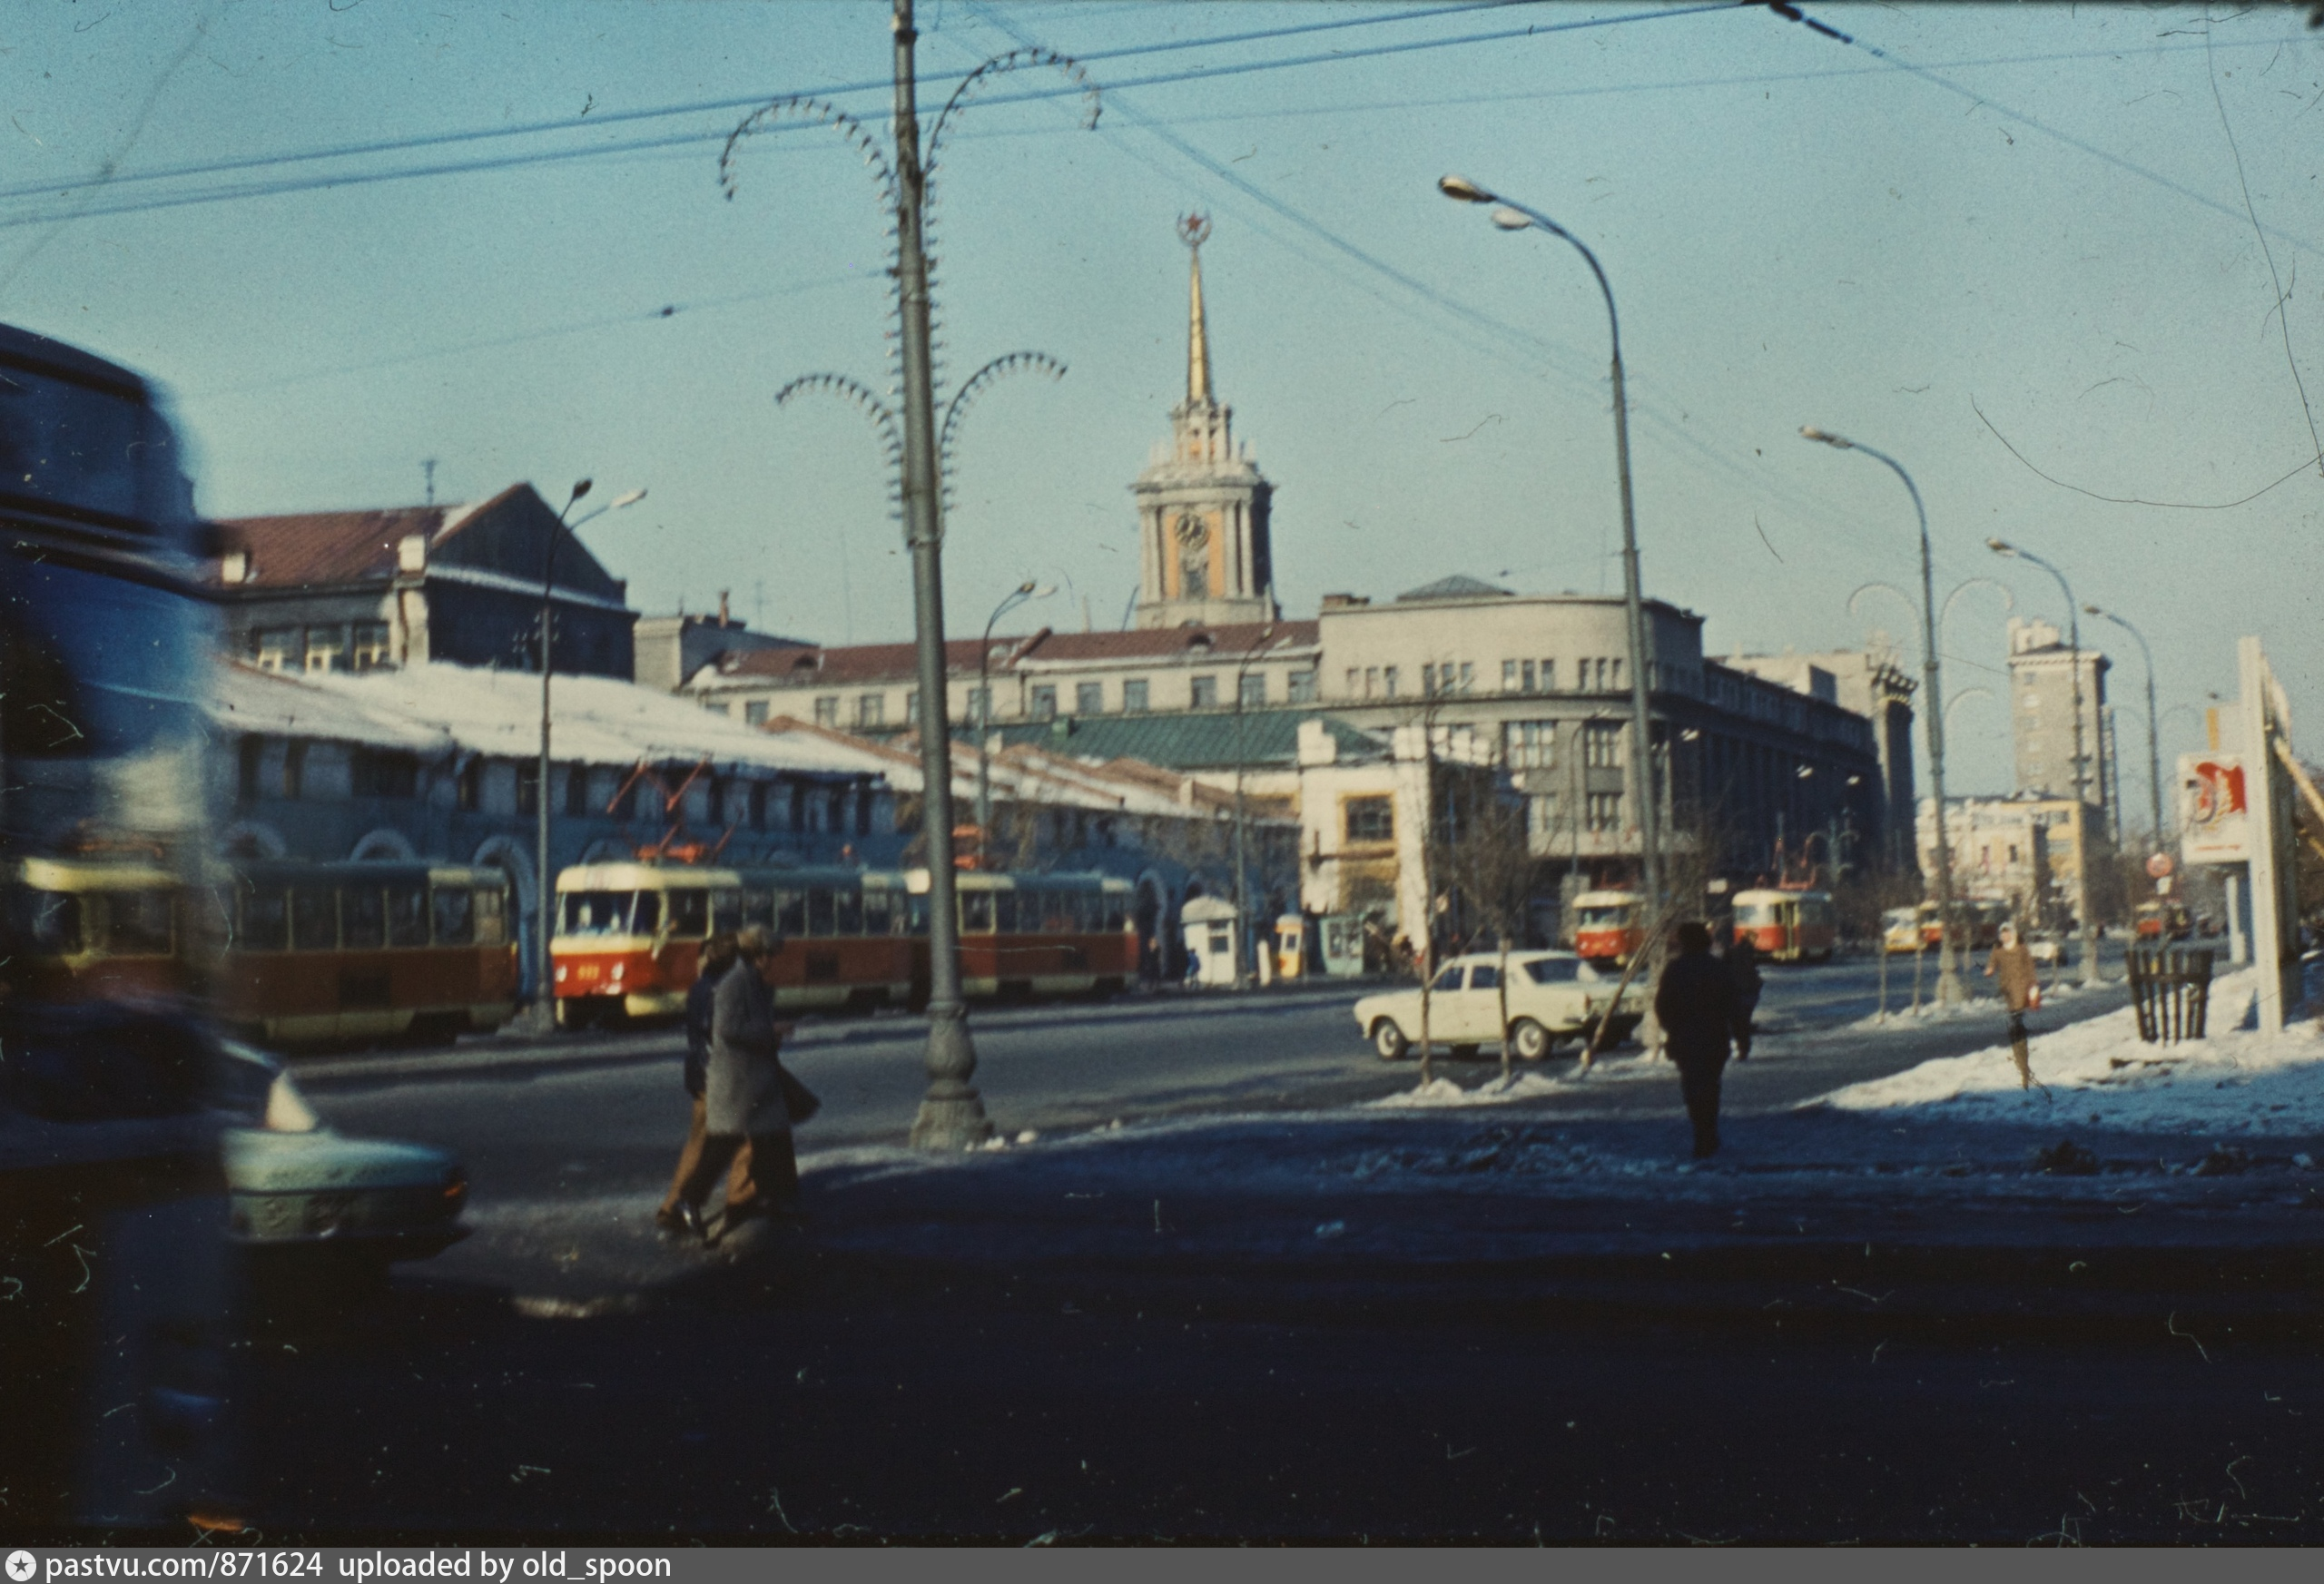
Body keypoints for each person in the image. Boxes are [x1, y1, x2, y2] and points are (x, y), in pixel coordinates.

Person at [674, 927, 812, 1238]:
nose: (771, 962)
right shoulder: (736, 982)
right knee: (723, 1144)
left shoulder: (752, 981)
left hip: (753, 1080)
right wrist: (771, 1031)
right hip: (736, 1082)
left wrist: (770, 1032)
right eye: (769, 957)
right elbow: (728, 1029)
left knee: (773, 1137)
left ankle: (776, 1198)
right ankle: (689, 1200)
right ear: (758, 956)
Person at [656, 932, 749, 1237]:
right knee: (744, 1141)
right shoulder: (725, 990)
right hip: (719, 1075)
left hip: (698, 1074)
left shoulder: (699, 988)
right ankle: (732, 1206)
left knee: (697, 1141)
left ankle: (670, 1208)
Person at [1653, 920, 1749, 1160]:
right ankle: (1709, 1132)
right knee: (1711, 1086)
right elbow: (1735, 1007)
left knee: (1692, 1086)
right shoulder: (1719, 969)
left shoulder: (1675, 970)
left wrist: (1672, 1029)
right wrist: (1742, 1039)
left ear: (1683, 943)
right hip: (1715, 1038)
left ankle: (1701, 1133)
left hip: (1684, 1040)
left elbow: (1662, 1006)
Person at [1985, 922, 2043, 1091]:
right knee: (2013, 1009)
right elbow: (1993, 962)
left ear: (2013, 934)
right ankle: (2017, 1023)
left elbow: (2030, 967)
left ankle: (2018, 1027)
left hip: (2021, 983)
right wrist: (1989, 969)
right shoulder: (1998, 950)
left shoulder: (2022, 948)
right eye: (2002, 935)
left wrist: (2033, 984)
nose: (2005, 937)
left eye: (2007, 934)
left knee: (2017, 1009)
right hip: (2006, 986)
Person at [1725, 934, 1764, 1061]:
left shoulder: (1733, 950)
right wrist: (1757, 981)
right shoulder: (1747, 951)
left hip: (1736, 989)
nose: (1756, 941)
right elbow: (1748, 969)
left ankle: (1737, 1048)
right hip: (1745, 989)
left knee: (1738, 1020)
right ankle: (1743, 1049)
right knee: (1742, 1021)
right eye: (1755, 939)